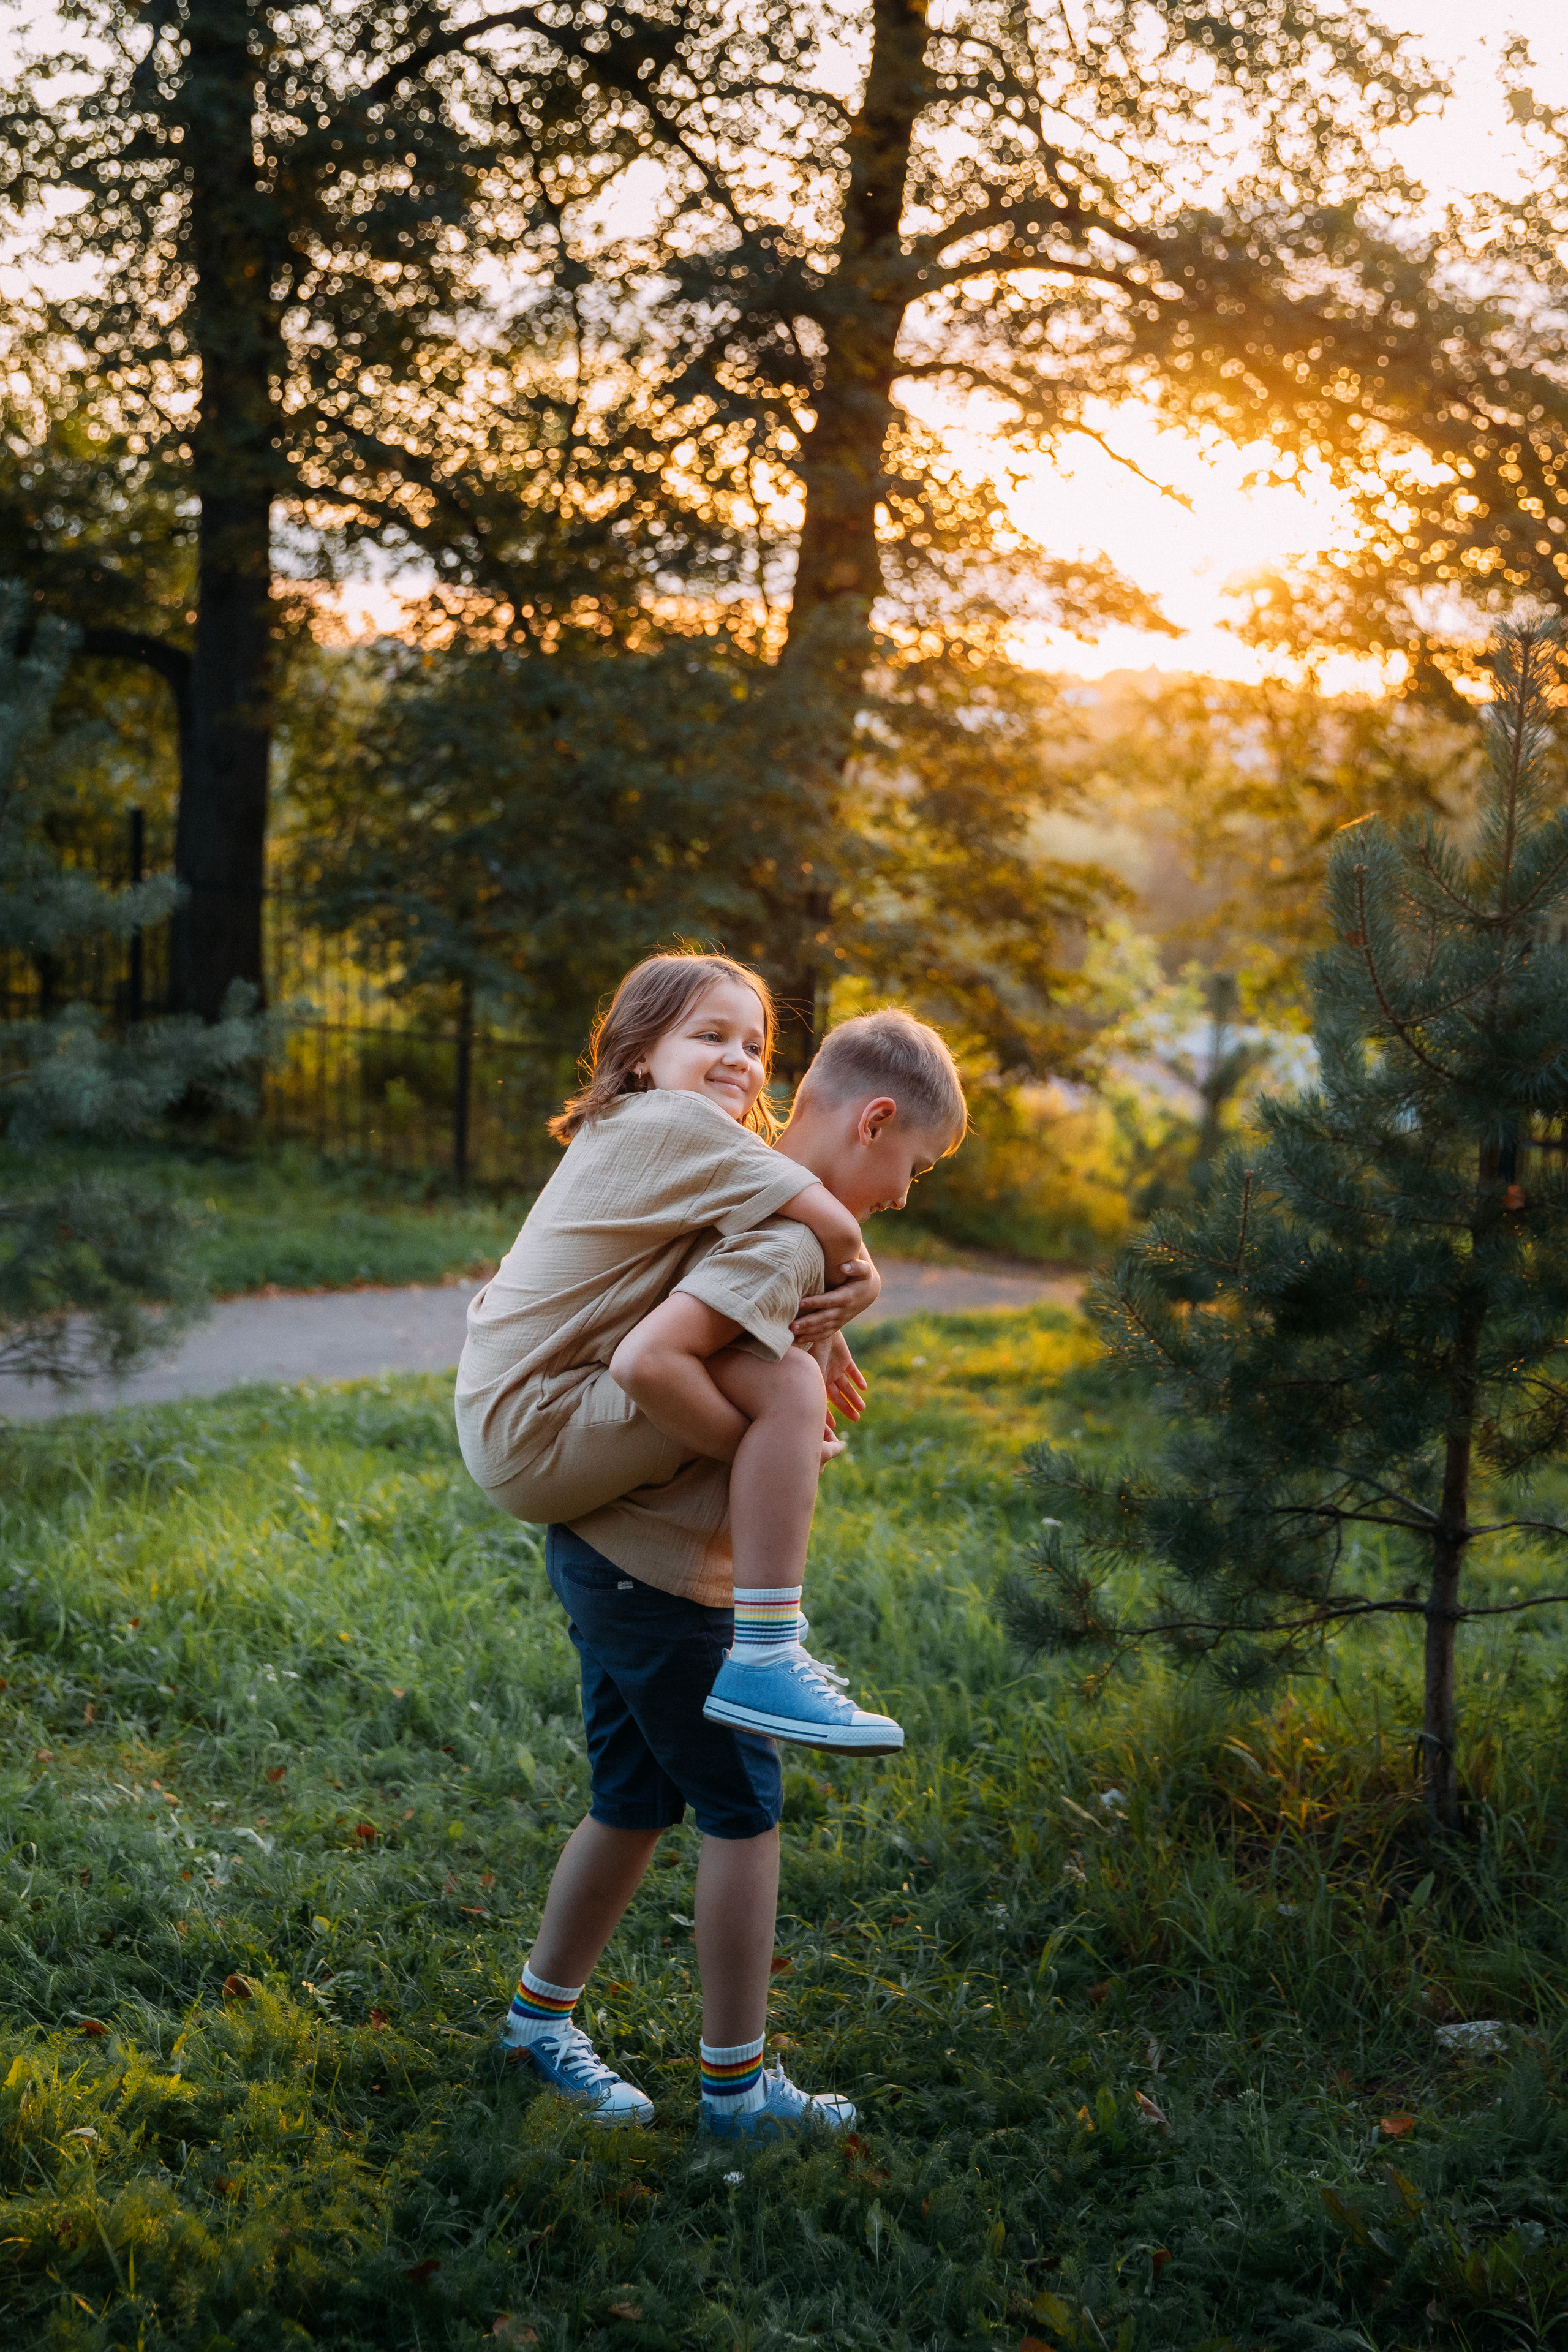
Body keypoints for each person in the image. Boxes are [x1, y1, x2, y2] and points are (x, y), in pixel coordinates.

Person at [457, 965, 967, 2137]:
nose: (904, 1196)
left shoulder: (735, 1195)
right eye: (917, 1172)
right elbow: (652, 1366)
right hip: (657, 1575)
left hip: (604, 1548)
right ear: (876, 1124)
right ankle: (737, 2094)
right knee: (743, 1812)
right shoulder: (778, 1238)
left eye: (756, 1045)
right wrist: (768, 1441)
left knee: (632, 1801)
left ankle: (538, 2026)